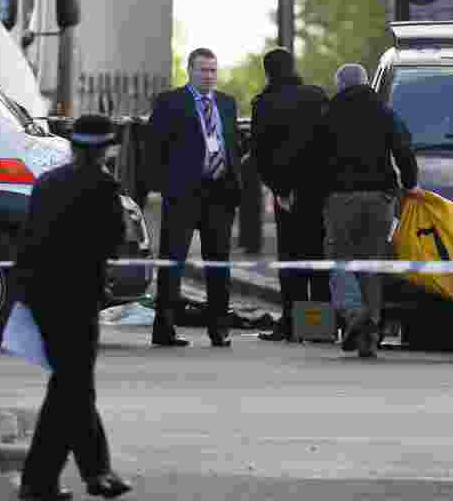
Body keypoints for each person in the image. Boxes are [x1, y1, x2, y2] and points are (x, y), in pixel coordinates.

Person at [15, 114, 132, 500]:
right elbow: (115, 240)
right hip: (78, 299)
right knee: (73, 387)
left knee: (71, 386)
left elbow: (27, 240)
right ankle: (45, 481)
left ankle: (89, 473)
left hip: (43, 298)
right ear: (104, 150)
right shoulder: (102, 187)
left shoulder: (48, 183)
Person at [313, 63, 421, 358]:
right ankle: (369, 335)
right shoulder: (384, 111)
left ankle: (353, 313)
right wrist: (410, 184)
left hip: (340, 199)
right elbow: (403, 149)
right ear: (366, 83)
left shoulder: (327, 115)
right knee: (372, 265)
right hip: (380, 199)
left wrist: (319, 193)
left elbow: (314, 159)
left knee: (340, 259)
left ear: (340, 85)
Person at [148, 47, 243, 348]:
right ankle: (164, 328)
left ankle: (219, 329)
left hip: (218, 193)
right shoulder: (171, 102)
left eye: (213, 70)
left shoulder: (227, 104)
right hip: (183, 193)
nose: (209, 76)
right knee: (172, 262)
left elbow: (231, 144)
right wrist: (164, 185)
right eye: (203, 70)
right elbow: (153, 147)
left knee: (218, 265)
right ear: (190, 71)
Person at [251, 48, 332, 342]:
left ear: (268, 71)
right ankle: (318, 327)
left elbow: (259, 153)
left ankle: (291, 324)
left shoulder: (264, 104)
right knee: (317, 258)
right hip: (319, 191)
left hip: (287, 193)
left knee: (290, 260)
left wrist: (280, 190)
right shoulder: (316, 96)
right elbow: (328, 142)